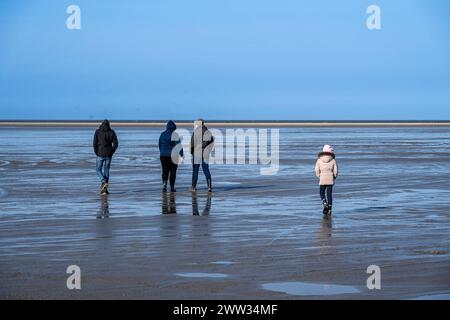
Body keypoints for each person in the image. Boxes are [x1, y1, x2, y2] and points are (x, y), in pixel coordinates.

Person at [93, 119, 118, 194]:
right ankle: (105, 188)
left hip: (100, 153)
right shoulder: (111, 132)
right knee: (106, 170)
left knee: (98, 170)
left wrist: (96, 152)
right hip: (108, 154)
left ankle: (103, 182)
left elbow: (94, 143)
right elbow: (116, 144)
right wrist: (112, 151)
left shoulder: (97, 131)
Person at [158, 120, 184, 192]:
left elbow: (159, 144)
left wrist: (162, 152)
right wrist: (181, 155)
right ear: (174, 128)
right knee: (173, 172)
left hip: (163, 156)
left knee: (165, 171)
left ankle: (164, 185)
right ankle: (172, 187)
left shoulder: (162, 134)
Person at [190, 119, 214, 192]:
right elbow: (211, 142)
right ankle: (209, 187)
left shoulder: (196, 131)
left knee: (195, 170)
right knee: (206, 170)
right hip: (205, 154)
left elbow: (192, 143)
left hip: (197, 153)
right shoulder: (208, 132)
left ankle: (193, 187)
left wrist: (192, 152)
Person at [315, 144, 338, 216]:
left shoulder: (319, 160)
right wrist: (334, 177)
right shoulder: (333, 160)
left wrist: (319, 176)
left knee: (322, 193)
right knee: (329, 194)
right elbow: (336, 171)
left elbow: (316, 170)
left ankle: (324, 203)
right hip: (330, 179)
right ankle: (330, 210)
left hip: (322, 178)